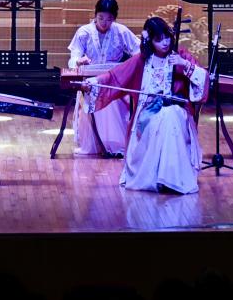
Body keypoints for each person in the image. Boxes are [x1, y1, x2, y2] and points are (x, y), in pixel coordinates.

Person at [89, 16, 207, 193]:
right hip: (148, 112)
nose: (165, 43)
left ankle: (171, 178)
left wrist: (184, 65)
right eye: (158, 40)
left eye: (167, 37)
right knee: (164, 118)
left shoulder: (180, 56)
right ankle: (161, 178)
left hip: (176, 110)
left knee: (169, 116)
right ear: (149, 41)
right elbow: (114, 77)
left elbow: (203, 78)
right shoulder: (142, 60)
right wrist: (93, 82)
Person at [67, 0, 140, 156]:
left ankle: (115, 144)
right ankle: (96, 144)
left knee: (112, 101)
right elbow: (74, 56)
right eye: (100, 17)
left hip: (114, 78)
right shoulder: (84, 32)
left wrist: (129, 67)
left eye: (109, 19)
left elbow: (138, 51)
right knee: (93, 93)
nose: (104, 22)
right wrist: (79, 61)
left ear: (114, 18)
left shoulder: (121, 31)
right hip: (90, 78)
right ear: (95, 15)